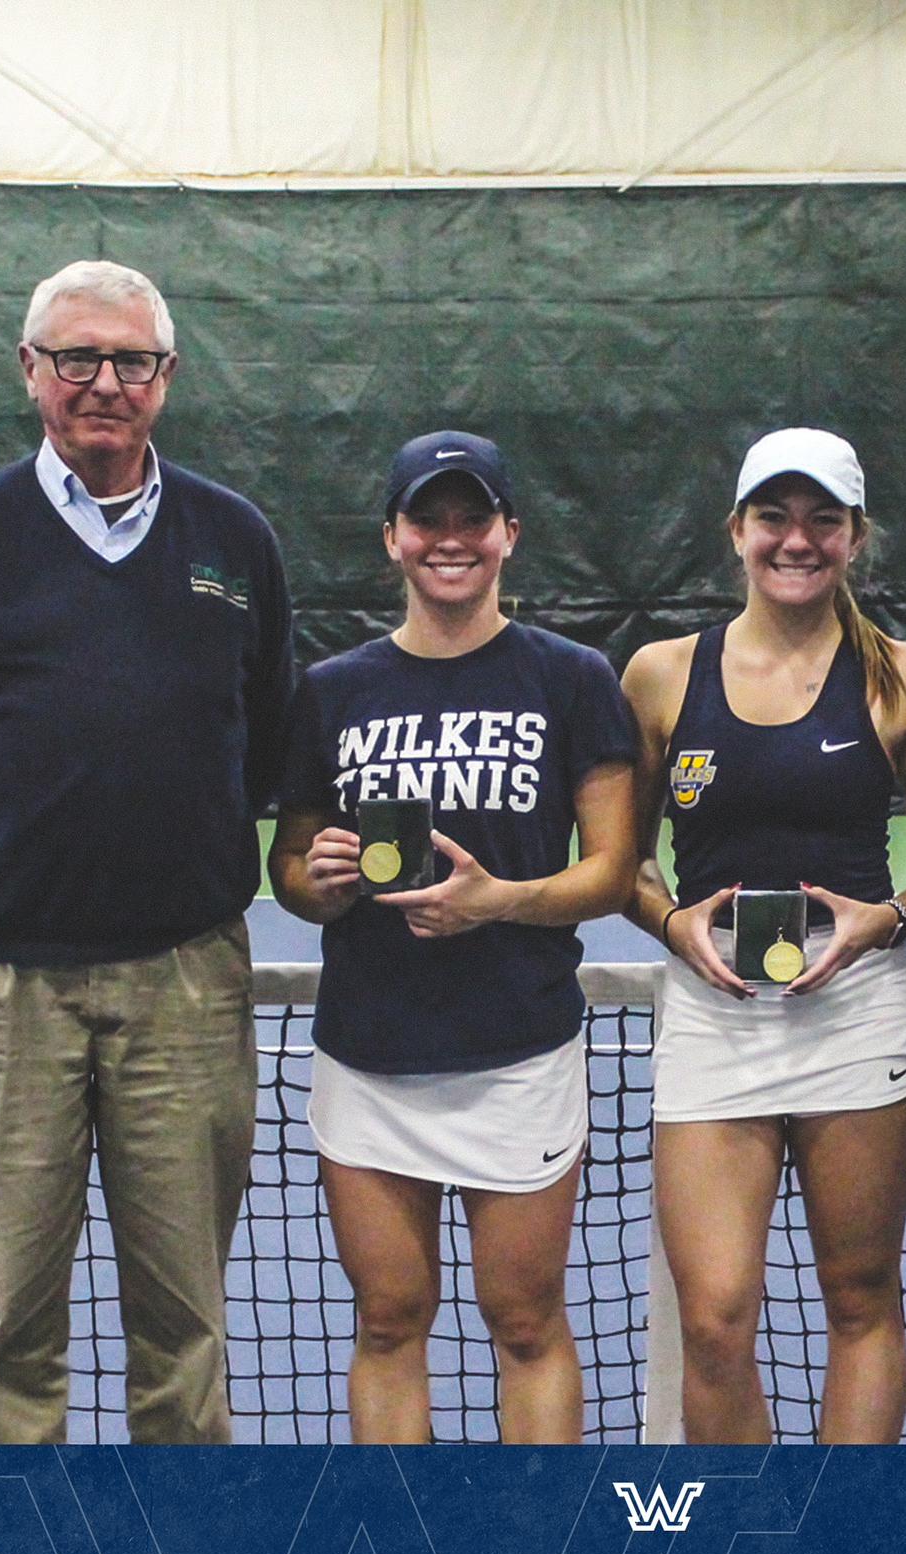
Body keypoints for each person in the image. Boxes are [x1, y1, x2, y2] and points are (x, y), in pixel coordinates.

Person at [0, 259, 295, 1445]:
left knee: (186, 1330)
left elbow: (265, 736)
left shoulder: (234, 540)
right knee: (7, 1328)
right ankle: (19, 1545)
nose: (105, 382)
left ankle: (176, 1553)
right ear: (30, 369)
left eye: (131, 360)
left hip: (188, 982)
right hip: (1, 989)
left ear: (167, 376)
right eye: (77, 358)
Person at [270, 431, 637, 1444]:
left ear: (509, 533)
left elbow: (613, 871)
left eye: (472, 518)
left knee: (524, 1321)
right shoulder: (334, 689)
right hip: (370, 1054)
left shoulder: (571, 679)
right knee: (389, 1319)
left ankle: (533, 1541)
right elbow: (290, 869)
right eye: (425, 519)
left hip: (517, 1054)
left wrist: (499, 900)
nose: (450, 538)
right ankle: (408, 1542)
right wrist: (321, 882)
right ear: (391, 537)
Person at [621, 428, 906, 1444]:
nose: (797, 539)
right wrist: (671, 920)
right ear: (736, 530)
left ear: (856, 537)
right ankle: (756, 1526)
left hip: (856, 1017)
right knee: (714, 1319)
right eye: (774, 516)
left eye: (824, 519)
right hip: (712, 1019)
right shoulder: (658, 675)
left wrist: (882, 920)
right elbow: (624, 863)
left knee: (859, 1298)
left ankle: (835, 1530)